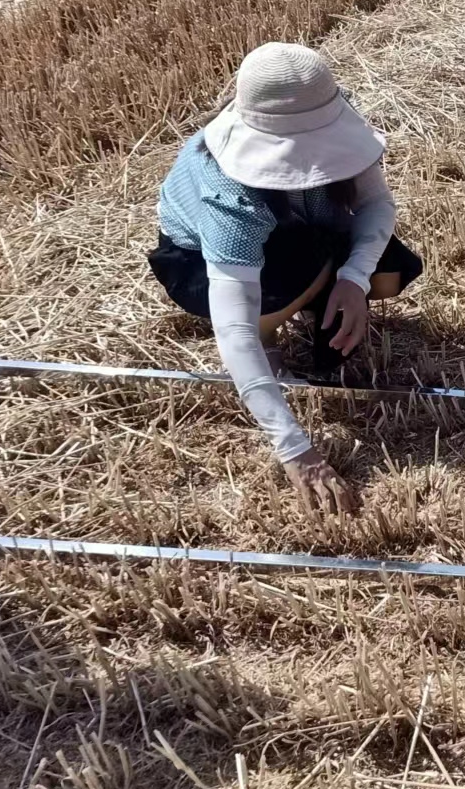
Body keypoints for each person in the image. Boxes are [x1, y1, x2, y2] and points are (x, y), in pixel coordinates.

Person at [147, 43, 423, 515]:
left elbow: (376, 203)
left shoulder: (331, 107)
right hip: (196, 264)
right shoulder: (231, 196)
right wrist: (296, 450)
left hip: (303, 230)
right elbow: (232, 328)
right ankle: (272, 328)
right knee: (289, 282)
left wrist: (354, 279)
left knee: (389, 273)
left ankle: (320, 290)